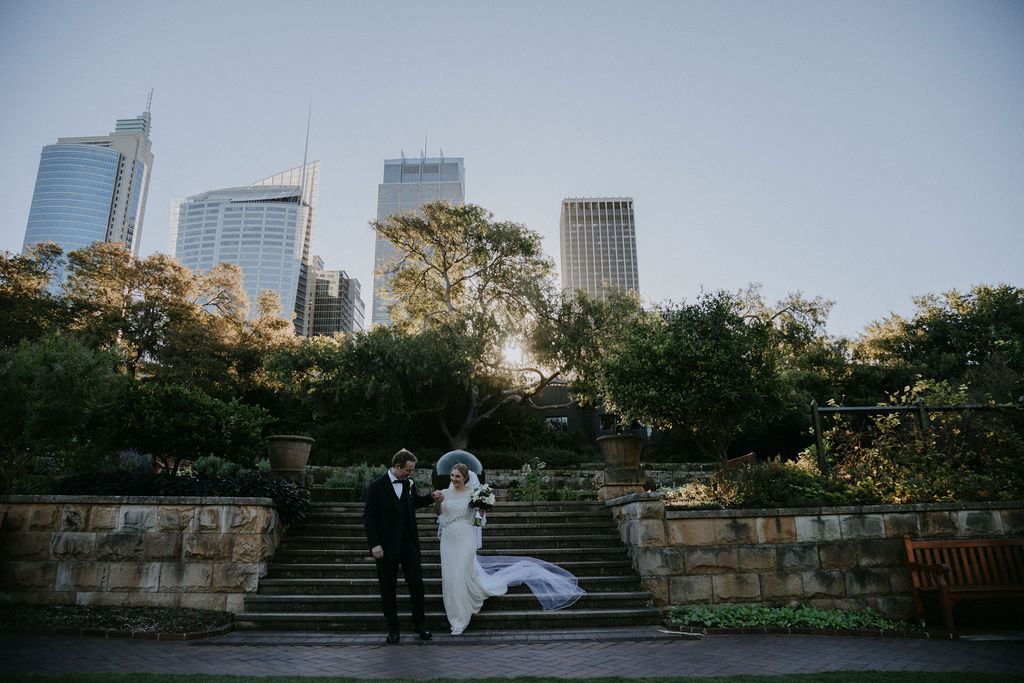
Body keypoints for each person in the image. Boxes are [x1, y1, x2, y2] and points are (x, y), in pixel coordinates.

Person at [437, 463, 585, 635]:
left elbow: (476, 522)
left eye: (457, 476)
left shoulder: (474, 494)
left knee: (461, 572)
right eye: (452, 475)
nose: (454, 479)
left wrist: (480, 513)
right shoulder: (444, 493)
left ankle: (459, 619)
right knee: (449, 577)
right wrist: (437, 502)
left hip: (466, 538)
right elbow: (439, 513)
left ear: (465, 478)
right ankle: (455, 609)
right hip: (448, 540)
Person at [363, 448, 443, 643]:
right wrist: (375, 544)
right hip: (386, 546)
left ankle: (419, 624)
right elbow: (369, 517)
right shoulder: (376, 486)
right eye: (408, 470)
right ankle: (393, 629)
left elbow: (415, 502)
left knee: (417, 585)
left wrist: (431, 497)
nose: (410, 473)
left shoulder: (409, 483)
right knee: (387, 589)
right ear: (397, 466)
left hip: (409, 544)